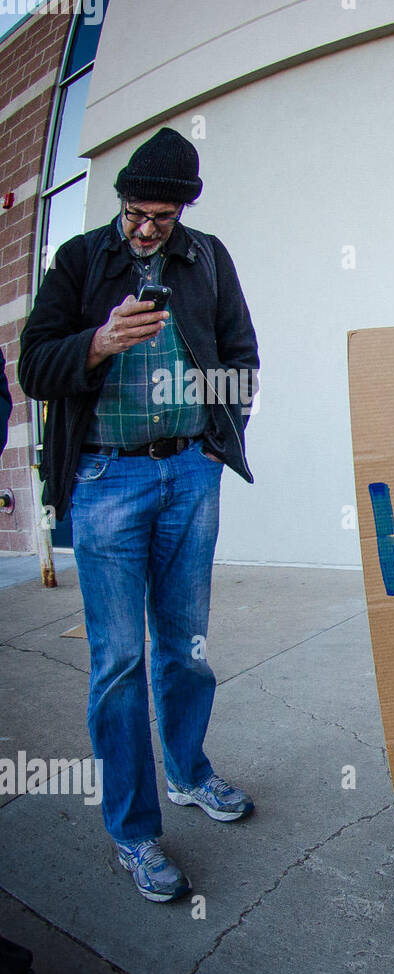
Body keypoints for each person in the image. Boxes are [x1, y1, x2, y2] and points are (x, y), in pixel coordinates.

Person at [18, 127, 259, 900]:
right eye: (134, 213)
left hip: (189, 473)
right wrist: (97, 342)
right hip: (105, 481)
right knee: (118, 659)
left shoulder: (208, 257)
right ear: (120, 202)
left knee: (184, 647)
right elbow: (33, 366)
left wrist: (220, 440)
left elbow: (242, 354)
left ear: (183, 209)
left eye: (159, 215)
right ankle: (133, 831)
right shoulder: (81, 260)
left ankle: (188, 772)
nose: (145, 228)